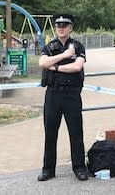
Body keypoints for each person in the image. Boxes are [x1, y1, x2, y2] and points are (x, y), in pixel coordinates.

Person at [37, 13, 88, 181]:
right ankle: (48, 169)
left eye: (65, 25)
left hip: (71, 94)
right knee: (50, 133)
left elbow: (76, 67)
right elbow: (43, 63)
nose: (61, 28)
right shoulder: (49, 46)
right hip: (53, 94)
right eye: (58, 26)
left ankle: (79, 167)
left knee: (76, 132)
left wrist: (56, 67)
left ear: (71, 28)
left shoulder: (78, 46)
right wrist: (64, 56)